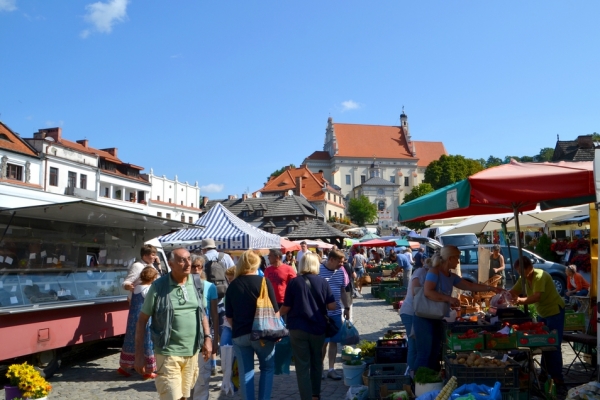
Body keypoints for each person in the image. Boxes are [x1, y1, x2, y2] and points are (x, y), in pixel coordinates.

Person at [135, 247, 213, 400]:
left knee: (184, 396)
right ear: (171, 264)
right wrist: (139, 354)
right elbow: (142, 320)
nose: (187, 263)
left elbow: (202, 313)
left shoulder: (197, 284)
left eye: (189, 259)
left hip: (192, 352)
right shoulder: (159, 286)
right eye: (182, 260)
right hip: (167, 352)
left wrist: (208, 338)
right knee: (172, 397)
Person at [413, 246, 503, 371]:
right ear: (450, 259)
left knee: (434, 353)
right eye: (457, 258)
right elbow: (428, 292)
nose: (458, 261)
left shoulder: (451, 276)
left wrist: (491, 288)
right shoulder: (434, 271)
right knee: (424, 354)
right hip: (424, 318)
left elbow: (470, 286)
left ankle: (432, 383)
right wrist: (449, 299)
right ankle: (417, 385)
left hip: (437, 317)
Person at [280, 253, 336, 400]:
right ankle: (315, 395)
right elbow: (332, 306)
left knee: (302, 365)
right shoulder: (323, 282)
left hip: (298, 328)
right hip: (318, 328)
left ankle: (306, 397)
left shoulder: (294, 282)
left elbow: (286, 307)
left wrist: (275, 314)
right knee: (317, 362)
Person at [225, 250, 279, 400]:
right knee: (267, 369)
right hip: (263, 333)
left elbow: (229, 317)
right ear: (257, 263)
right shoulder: (264, 282)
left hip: (240, 334)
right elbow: (276, 311)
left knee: (246, 372)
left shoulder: (233, 285)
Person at [509, 256, 566, 390]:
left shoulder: (540, 276)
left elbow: (536, 296)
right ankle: (545, 374)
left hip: (554, 311)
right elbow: (513, 291)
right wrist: (503, 296)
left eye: (521, 271)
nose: (520, 274)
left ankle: (557, 377)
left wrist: (520, 301)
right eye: (518, 272)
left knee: (553, 344)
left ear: (529, 268)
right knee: (543, 343)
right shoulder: (523, 278)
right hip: (543, 314)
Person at [119, 244, 162, 377]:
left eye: (155, 254)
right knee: (139, 336)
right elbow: (126, 282)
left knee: (140, 336)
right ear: (145, 255)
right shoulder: (138, 266)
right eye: (152, 254)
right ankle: (137, 367)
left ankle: (131, 366)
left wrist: (159, 265)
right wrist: (128, 286)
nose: (154, 257)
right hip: (140, 305)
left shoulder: (152, 266)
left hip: (144, 303)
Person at [190, 255, 219, 400]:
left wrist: (215, 339)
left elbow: (214, 314)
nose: (196, 269)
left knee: (203, 374)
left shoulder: (209, 286)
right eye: (193, 266)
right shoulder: (183, 285)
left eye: (198, 266)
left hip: (204, 333)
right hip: (187, 335)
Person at [319, 249, 350, 380]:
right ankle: (319, 368)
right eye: (340, 262)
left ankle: (331, 369)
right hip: (322, 314)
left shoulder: (340, 272)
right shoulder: (319, 270)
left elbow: (343, 291)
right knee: (322, 343)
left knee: (334, 342)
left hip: (336, 313)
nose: (342, 265)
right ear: (331, 259)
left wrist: (347, 307)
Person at [399, 258, 430, 374]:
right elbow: (415, 291)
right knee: (413, 344)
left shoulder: (425, 273)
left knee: (417, 344)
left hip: (416, 312)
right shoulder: (420, 272)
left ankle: (413, 371)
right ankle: (411, 373)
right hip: (410, 312)